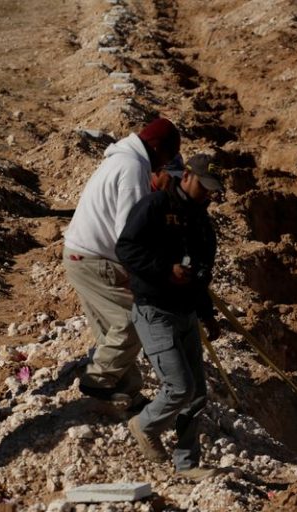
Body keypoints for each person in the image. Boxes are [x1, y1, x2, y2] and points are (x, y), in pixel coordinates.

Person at [116, 153, 223, 480]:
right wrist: (165, 270)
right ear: (186, 175)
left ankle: (186, 464)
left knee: (198, 394)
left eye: (211, 190)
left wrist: (207, 315)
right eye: (203, 187)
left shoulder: (202, 223)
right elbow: (127, 249)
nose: (207, 195)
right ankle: (145, 426)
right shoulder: (155, 207)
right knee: (179, 388)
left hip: (186, 313)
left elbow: (201, 275)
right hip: (155, 311)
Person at [63, 118, 181, 411]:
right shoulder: (132, 166)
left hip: (83, 255)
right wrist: (153, 274)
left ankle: (126, 397)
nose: (162, 167)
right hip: (93, 259)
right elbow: (130, 232)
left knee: (110, 329)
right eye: (166, 159)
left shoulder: (124, 158)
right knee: (135, 320)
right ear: (156, 148)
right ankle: (96, 380)